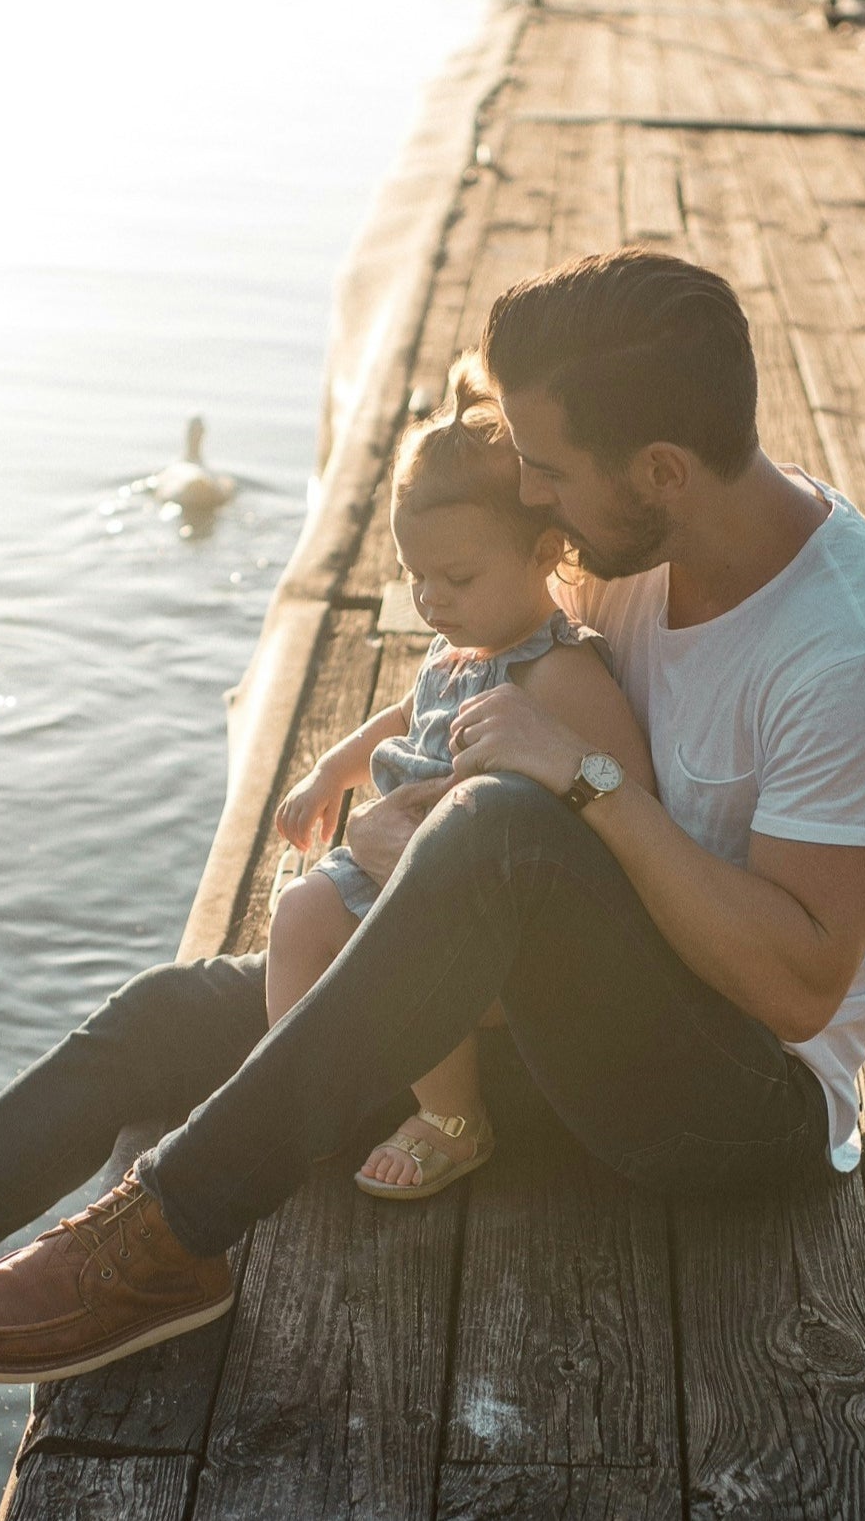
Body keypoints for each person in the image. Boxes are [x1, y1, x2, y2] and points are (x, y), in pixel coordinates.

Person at [0, 246, 865, 1397]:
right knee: (167, 1015)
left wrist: (580, 786)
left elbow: (796, 988)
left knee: (501, 832)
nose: (530, 495)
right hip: (556, 1026)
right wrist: (391, 779)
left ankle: (165, 1237)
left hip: (733, 1109)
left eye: (548, 469)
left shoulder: (862, 656)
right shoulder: (629, 557)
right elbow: (493, 689)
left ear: (660, 469)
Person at [267, 356, 653, 1199]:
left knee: (413, 953)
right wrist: (333, 770)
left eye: (459, 578)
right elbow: (406, 715)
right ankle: (302, 1092)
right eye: (416, 579)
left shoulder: (558, 672)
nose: (432, 601)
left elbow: (628, 792)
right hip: (394, 855)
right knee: (296, 912)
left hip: (479, 907)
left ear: (546, 549)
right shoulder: (459, 646)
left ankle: (454, 1116)